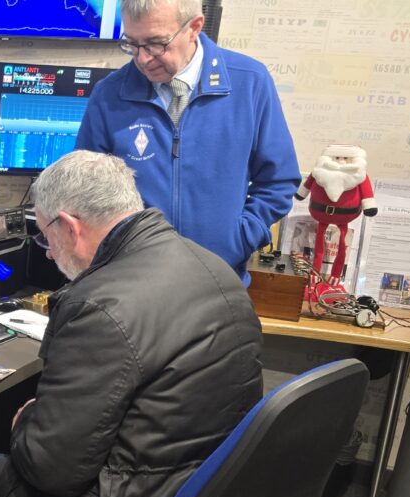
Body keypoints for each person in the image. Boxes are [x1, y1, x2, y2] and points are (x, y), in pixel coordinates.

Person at [0, 150, 264, 497]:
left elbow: (50, 471)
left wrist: (26, 424)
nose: (49, 252)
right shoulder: (213, 266)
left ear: (70, 226)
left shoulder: (98, 306)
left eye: (44, 236)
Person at [75, 0, 301, 284]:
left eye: (156, 44)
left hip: (219, 282)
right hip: (132, 285)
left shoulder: (250, 82)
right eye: (132, 44)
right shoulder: (109, 94)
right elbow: (86, 189)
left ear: (194, 27)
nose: (142, 59)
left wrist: (239, 239)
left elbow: (278, 181)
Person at [295, 144, 377, 286]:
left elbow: (367, 193)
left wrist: (369, 206)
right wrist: (301, 194)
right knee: (319, 244)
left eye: (346, 158)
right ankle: (315, 272)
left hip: (345, 217)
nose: (341, 161)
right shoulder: (319, 172)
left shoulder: (360, 176)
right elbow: (307, 185)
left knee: (342, 245)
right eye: (337, 157)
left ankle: (336, 275)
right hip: (321, 215)